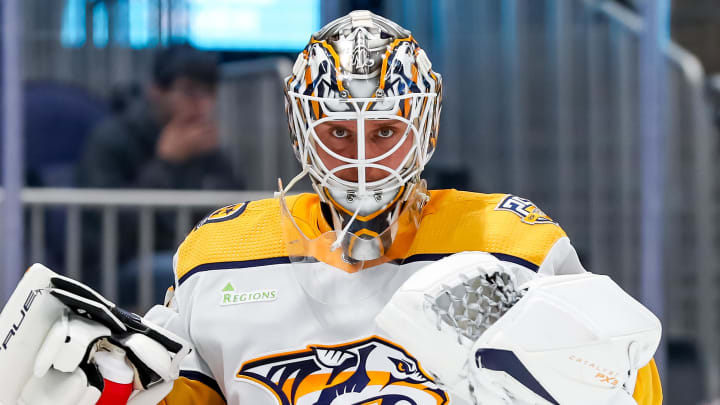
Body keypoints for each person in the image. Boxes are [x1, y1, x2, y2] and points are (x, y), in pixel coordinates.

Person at [8, 11, 662, 405]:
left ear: (423, 130)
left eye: (383, 131)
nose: (360, 158)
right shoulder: (220, 253)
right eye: (337, 133)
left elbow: (628, 378)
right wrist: (121, 387)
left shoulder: (510, 242)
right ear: (303, 134)